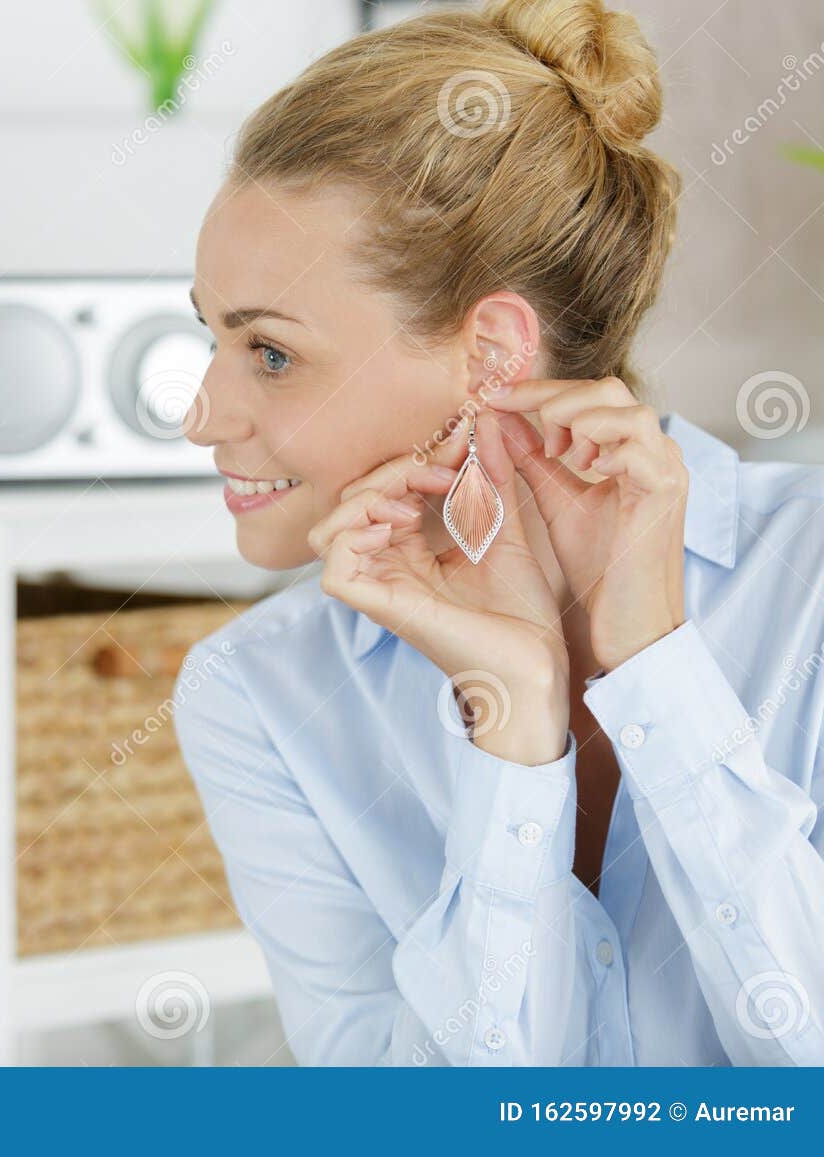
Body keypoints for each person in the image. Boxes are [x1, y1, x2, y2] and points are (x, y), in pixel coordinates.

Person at [173, 0, 824, 1064]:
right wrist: (512, 729)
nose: (201, 412)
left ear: (491, 355)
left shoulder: (809, 582)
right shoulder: (258, 692)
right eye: (208, 335)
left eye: (271, 353)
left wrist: (658, 665)